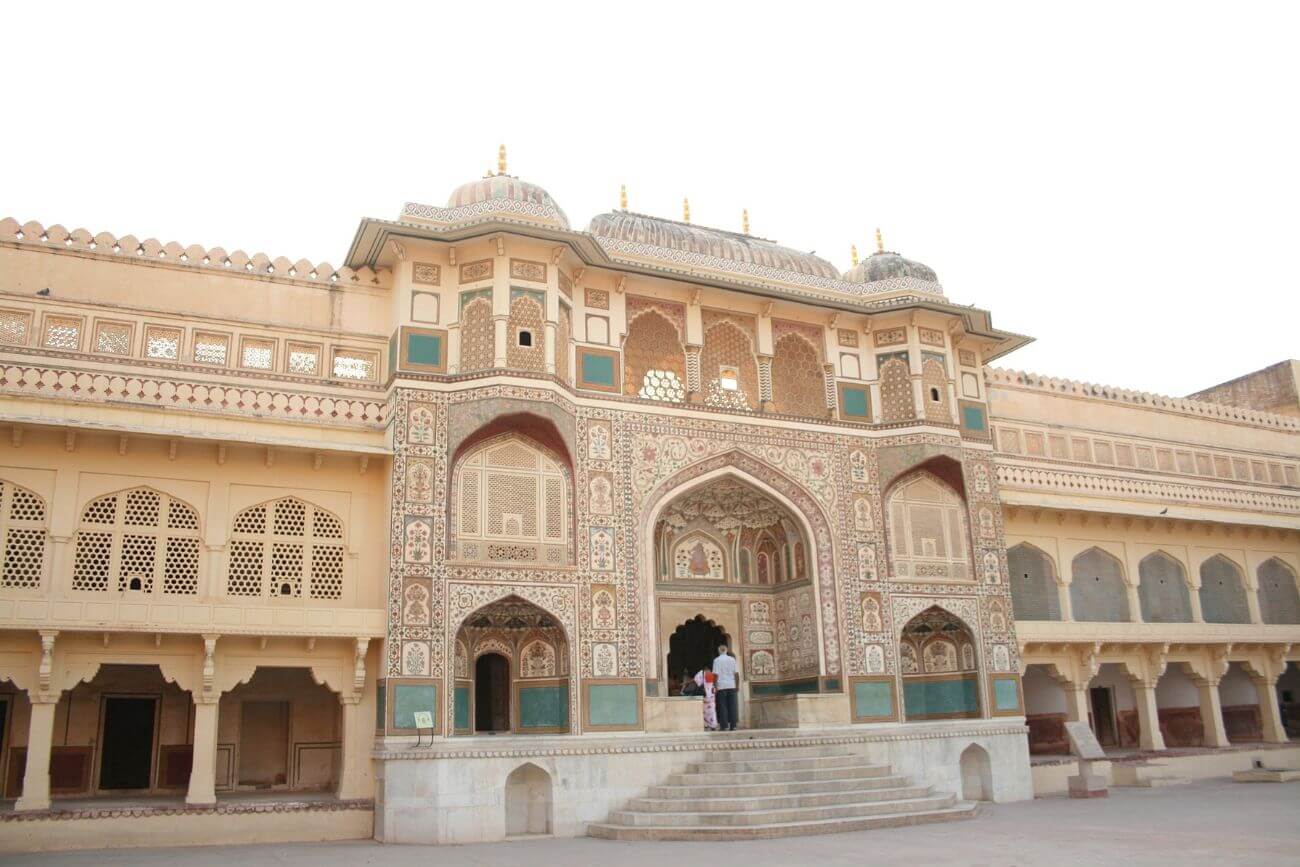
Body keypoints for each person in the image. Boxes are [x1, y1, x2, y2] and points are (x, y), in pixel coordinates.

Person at [712, 644, 740, 731]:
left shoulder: (716, 660)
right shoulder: (732, 660)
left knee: (723, 706)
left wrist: (715, 686)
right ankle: (733, 725)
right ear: (726, 650)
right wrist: (737, 686)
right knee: (733, 706)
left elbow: (715, 675)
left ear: (719, 651)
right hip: (732, 685)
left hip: (721, 686)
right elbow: (736, 674)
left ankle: (724, 726)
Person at [693, 665, 718, 731]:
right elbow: (714, 683)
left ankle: (706, 725)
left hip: (704, 695)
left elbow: (696, 680)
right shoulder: (711, 674)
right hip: (711, 695)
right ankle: (713, 725)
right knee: (712, 711)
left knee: (704, 711)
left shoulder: (701, 673)